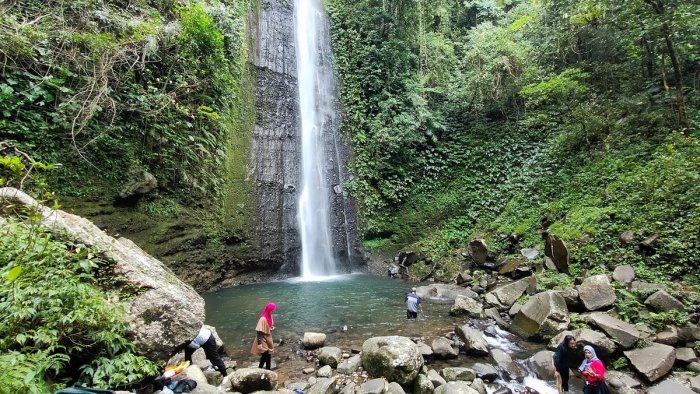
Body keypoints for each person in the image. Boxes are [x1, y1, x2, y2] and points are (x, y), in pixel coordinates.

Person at [251, 302, 276, 369]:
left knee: (266, 356)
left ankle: (261, 369)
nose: (273, 311)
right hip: (262, 339)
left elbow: (268, 326)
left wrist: (271, 328)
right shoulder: (263, 319)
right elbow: (259, 331)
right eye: (272, 310)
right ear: (269, 310)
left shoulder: (270, 315)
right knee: (267, 355)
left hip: (268, 338)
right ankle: (267, 370)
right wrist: (259, 344)